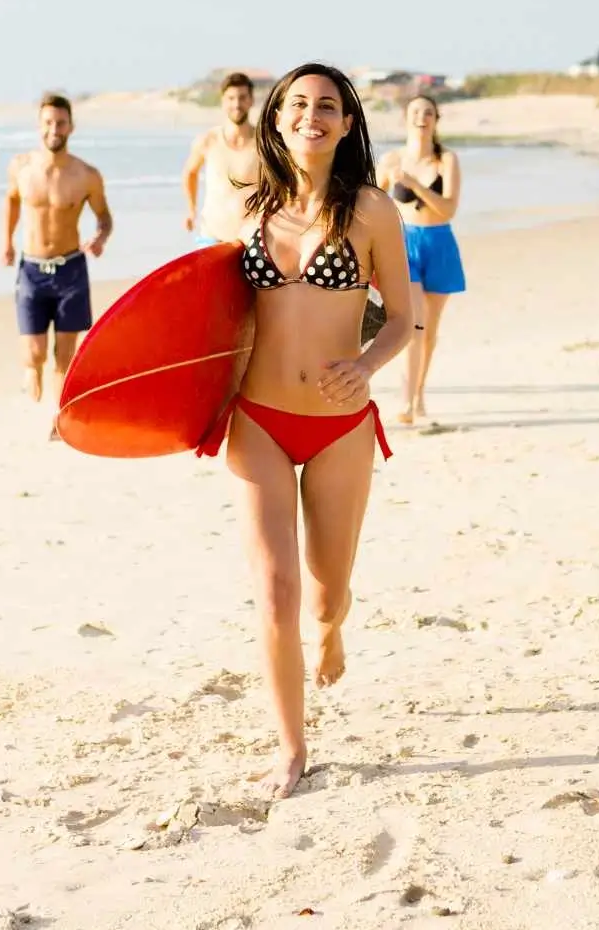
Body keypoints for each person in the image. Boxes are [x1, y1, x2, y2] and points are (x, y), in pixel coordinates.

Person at [196, 62, 413, 799]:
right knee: (275, 590)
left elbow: (404, 321)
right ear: (277, 118)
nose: (310, 116)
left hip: (339, 426)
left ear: (347, 123)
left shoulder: (376, 213)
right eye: (297, 104)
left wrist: (368, 365)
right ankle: (291, 746)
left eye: (327, 106)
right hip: (256, 421)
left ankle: (334, 627)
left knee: (325, 594)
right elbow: (202, 321)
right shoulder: (243, 210)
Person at [2, 92, 113, 424]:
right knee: (34, 353)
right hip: (32, 270)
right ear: (39, 126)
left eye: (61, 123)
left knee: (65, 355)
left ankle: (60, 418)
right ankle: (32, 369)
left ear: (71, 127)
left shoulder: (87, 175)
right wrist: (6, 241)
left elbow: (105, 217)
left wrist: (101, 237)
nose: (54, 129)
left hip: (71, 272)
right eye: (48, 122)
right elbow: (11, 201)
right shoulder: (20, 167)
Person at [375, 94, 464, 424]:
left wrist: (414, 185)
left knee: (429, 331)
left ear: (436, 119)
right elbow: (373, 202)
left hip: (439, 241)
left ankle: (418, 393)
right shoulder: (391, 160)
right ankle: (406, 401)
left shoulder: (447, 161)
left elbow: (449, 208)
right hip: (403, 243)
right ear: (406, 118)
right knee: (415, 324)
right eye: (415, 112)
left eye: (428, 112)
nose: (422, 117)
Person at [181, 72, 259, 246]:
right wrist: (191, 210)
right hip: (212, 236)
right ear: (223, 101)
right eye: (231, 98)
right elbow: (190, 173)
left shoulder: (264, 143)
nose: (236, 104)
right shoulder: (208, 140)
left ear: (251, 100)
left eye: (242, 97)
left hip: (251, 239)